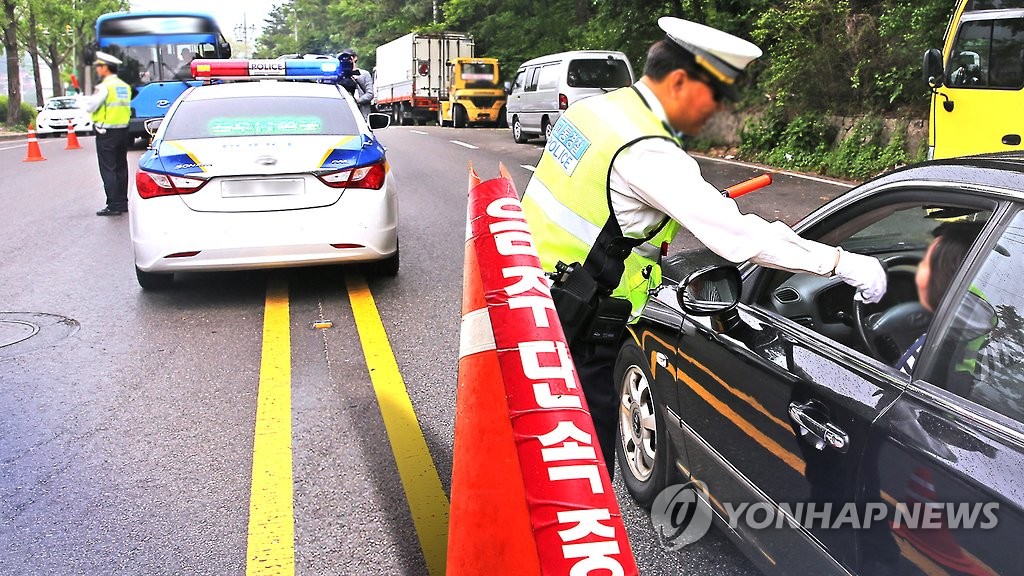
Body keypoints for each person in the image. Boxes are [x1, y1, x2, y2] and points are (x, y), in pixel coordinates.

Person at [520, 17, 888, 477]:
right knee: (578, 474)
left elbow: (601, 200)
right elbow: (738, 238)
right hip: (578, 325)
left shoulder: (596, 112)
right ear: (678, 81)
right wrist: (840, 262)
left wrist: (678, 209)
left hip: (530, 298)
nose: (713, 114)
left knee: (537, 450)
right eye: (712, 98)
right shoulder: (649, 151)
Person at [895, 221, 984, 374]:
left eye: (925, 263)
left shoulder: (926, 358)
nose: (918, 271)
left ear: (943, 278)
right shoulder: (988, 310)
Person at [82, 51, 132, 216]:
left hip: (107, 132)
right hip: (123, 130)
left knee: (108, 169)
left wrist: (86, 100)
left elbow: (90, 107)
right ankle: (123, 202)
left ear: (105, 68)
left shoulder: (104, 87)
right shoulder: (124, 86)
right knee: (121, 167)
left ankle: (113, 204)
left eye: (99, 67)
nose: (97, 70)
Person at [337, 48, 375, 119]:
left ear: (355, 58)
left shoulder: (364, 74)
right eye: (344, 57)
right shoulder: (338, 75)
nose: (347, 59)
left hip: (362, 114)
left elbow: (370, 94)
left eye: (349, 57)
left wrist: (356, 101)